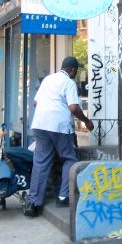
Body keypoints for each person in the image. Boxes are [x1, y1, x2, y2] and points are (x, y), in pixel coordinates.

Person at [24, 56, 94, 217]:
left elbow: (35, 102)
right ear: (73, 70)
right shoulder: (69, 83)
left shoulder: (48, 79)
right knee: (69, 158)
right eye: (76, 70)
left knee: (41, 162)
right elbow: (74, 107)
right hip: (59, 126)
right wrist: (87, 121)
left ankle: (33, 203)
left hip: (40, 124)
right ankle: (63, 196)